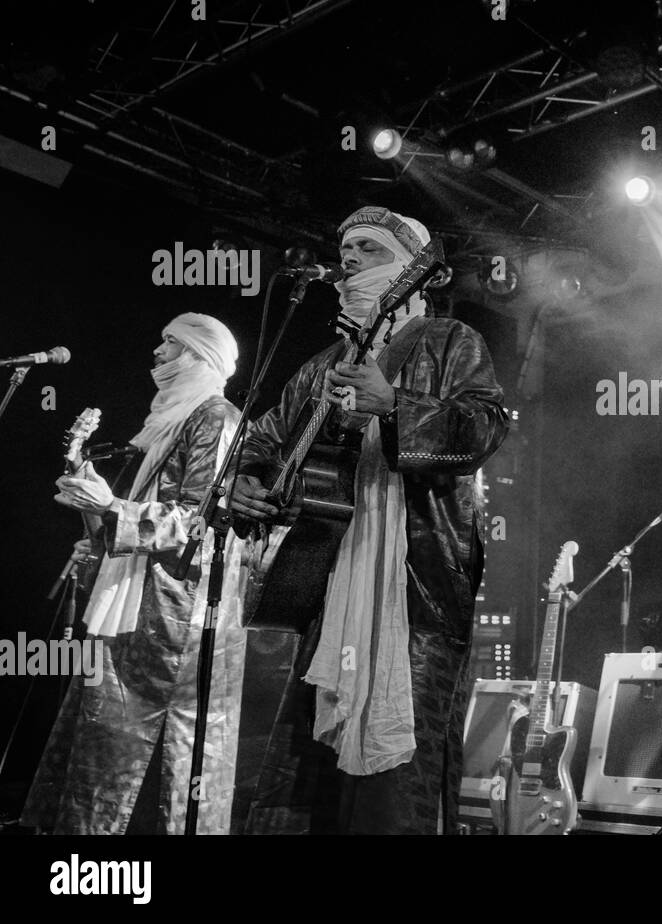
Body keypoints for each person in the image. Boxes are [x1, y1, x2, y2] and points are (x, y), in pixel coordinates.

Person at [234, 206, 509, 834]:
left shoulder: (450, 341)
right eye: (345, 248)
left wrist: (396, 406)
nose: (347, 259)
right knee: (314, 769)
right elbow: (261, 441)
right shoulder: (320, 365)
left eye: (366, 247)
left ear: (409, 269)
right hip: (327, 580)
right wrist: (245, 485)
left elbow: (486, 429)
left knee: (400, 766)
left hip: (416, 582)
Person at [23, 313, 246, 834]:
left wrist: (113, 508)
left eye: (171, 343)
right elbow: (138, 509)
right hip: (137, 600)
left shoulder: (215, 416)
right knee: (105, 732)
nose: (157, 352)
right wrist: (97, 509)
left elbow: (201, 520)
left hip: (176, 613)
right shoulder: (165, 419)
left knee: (149, 742)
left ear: (197, 354)